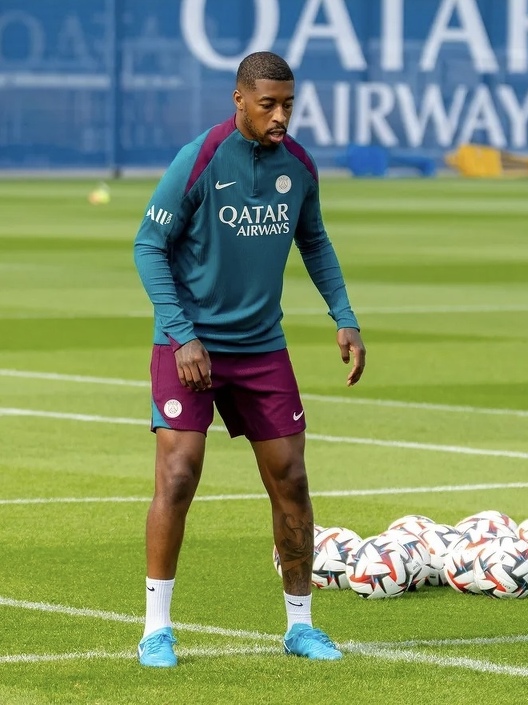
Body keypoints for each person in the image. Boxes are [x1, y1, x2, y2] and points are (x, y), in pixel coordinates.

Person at [133, 50, 366, 668]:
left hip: (261, 346)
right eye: (268, 105)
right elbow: (148, 245)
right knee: (179, 474)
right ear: (239, 100)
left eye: (288, 104)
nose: (280, 115)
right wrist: (182, 335)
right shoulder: (201, 158)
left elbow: (315, 241)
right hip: (189, 345)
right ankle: (156, 629)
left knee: (291, 478)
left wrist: (343, 316)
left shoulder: (298, 166)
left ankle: (301, 626)